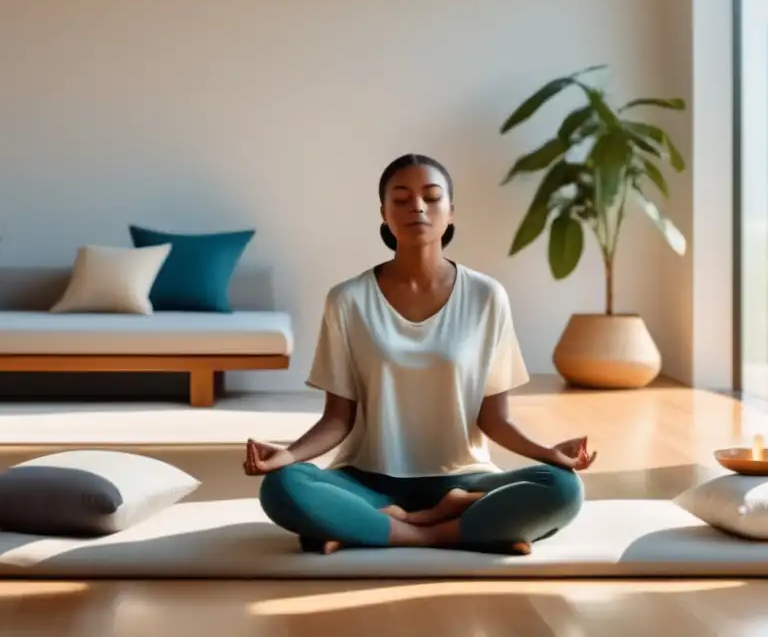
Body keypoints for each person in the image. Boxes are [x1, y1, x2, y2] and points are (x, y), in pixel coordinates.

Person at [243, 154, 595, 555]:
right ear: (384, 213)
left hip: (465, 481)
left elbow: (495, 420)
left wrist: (548, 454)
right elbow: (338, 419)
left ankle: (382, 529)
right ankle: (453, 529)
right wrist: (286, 454)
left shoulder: (486, 297)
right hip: (367, 481)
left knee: (564, 489)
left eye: (431, 197)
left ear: (451, 212)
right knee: (283, 487)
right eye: (402, 198)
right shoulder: (347, 300)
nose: (418, 207)